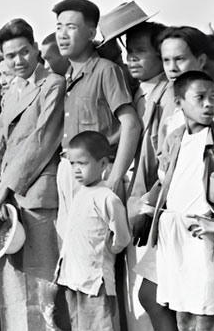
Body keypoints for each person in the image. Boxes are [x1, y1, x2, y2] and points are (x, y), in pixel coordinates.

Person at [0, 19, 67, 330]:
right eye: (10, 56)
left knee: (46, 284)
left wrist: (6, 184)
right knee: (15, 287)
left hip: (37, 195)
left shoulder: (53, 84)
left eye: (24, 52)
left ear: (36, 49)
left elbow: (42, 139)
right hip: (7, 200)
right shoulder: (11, 91)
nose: (18, 61)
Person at [53, 0, 140, 235]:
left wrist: (113, 178)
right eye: (59, 27)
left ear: (91, 33)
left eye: (71, 27)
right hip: (69, 170)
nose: (62, 34)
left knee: (97, 253)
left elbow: (131, 124)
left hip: (98, 172)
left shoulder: (105, 70)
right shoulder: (69, 75)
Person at [145, 70, 214, 330]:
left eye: (213, 97)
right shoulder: (175, 139)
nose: (209, 104)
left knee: (207, 313)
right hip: (173, 235)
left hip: (203, 234)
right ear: (179, 103)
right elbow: (164, 181)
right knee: (181, 312)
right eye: (200, 97)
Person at [121, 20, 178, 331]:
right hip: (140, 198)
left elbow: (168, 160)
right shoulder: (140, 93)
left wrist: (146, 206)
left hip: (157, 203)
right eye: (129, 52)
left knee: (153, 296)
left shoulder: (169, 96)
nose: (132, 59)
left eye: (141, 52)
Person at [56, 131, 130, 331]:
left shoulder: (106, 197)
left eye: (83, 163)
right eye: (72, 164)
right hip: (74, 278)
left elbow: (122, 236)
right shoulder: (80, 194)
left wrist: (112, 249)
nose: (76, 170)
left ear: (103, 164)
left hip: (95, 283)